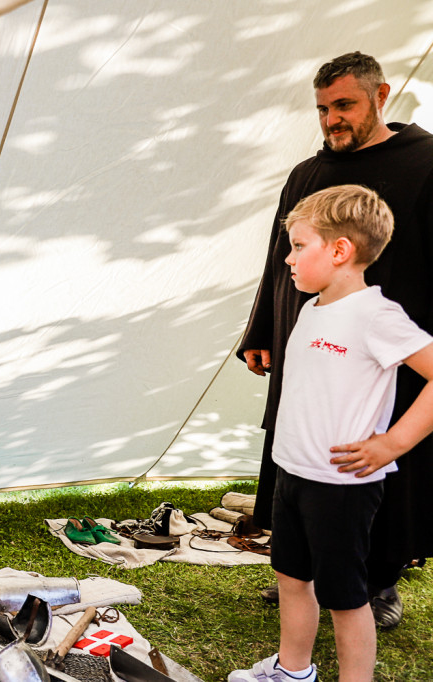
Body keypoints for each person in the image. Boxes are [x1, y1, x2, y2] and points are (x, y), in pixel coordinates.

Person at [238, 51, 433, 627]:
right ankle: (302, 569)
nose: (332, 120)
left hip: (390, 352)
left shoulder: (427, 164)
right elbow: (280, 260)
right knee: (302, 454)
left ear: (381, 95)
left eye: (344, 105)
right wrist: (261, 329)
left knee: (373, 467)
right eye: (323, 109)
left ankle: (377, 581)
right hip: (310, 347)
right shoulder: (307, 173)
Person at [229, 185, 433, 682]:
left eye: (299, 246)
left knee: (345, 597)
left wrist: (393, 443)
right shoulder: (310, 308)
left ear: (340, 250)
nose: (288, 258)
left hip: (340, 488)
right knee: (292, 577)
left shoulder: (376, 315)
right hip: (292, 474)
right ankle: (292, 671)